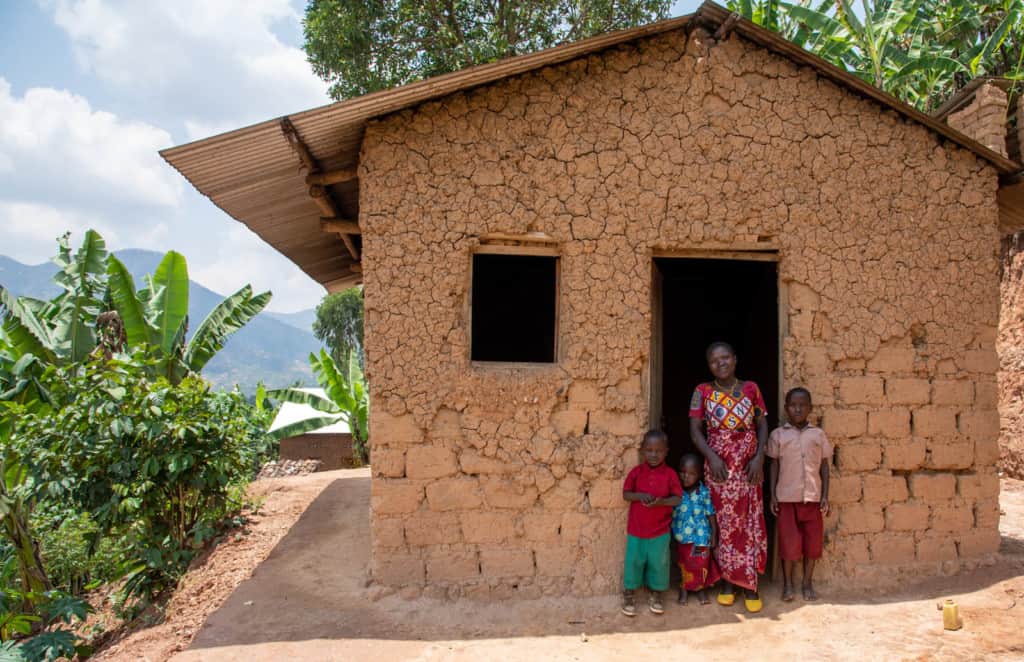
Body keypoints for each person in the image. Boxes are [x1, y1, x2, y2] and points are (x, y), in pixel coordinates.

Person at [689, 341, 768, 613]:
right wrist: (712, 457)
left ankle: (750, 583)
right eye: (713, 360)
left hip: (748, 468)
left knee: (747, 521)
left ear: (735, 359)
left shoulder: (751, 389)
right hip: (719, 468)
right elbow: (695, 430)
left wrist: (759, 458)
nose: (720, 363)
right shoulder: (702, 391)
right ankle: (727, 581)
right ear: (709, 365)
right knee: (722, 523)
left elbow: (763, 423)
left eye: (725, 358)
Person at [767, 387, 832, 602]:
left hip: (812, 498)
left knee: (812, 545)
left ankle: (807, 583)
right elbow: (774, 465)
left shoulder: (818, 435)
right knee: (789, 543)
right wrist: (773, 495)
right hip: (786, 498)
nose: (797, 409)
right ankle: (788, 584)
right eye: (793, 405)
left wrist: (824, 495)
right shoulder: (778, 435)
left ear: (810, 408)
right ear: (786, 408)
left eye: (802, 405)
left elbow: (824, 466)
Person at [621, 429, 682, 617]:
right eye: (649, 450)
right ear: (642, 451)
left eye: (659, 450)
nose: (654, 455)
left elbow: (677, 498)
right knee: (634, 561)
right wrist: (641, 496)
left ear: (666, 451)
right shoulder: (636, 473)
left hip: (660, 530)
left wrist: (662, 501)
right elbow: (626, 494)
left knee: (659, 563)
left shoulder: (670, 475)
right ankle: (629, 593)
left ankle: (656, 594)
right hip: (637, 529)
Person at [671, 453, 720, 605]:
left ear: (699, 475)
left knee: (700, 563)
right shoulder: (676, 492)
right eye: (683, 472)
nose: (686, 477)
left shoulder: (704, 492)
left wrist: (714, 535)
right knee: (684, 563)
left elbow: (710, 513)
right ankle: (684, 588)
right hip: (682, 538)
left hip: (701, 538)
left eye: (691, 473)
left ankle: (700, 588)